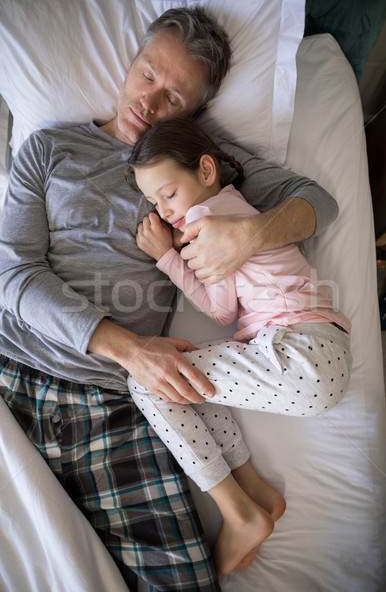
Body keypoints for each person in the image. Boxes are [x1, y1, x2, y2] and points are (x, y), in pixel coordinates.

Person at [0, 5, 339, 592]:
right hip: (16, 369)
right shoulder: (49, 150)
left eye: (175, 98)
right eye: (148, 75)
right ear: (132, 63)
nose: (150, 103)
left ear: (197, 114)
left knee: (183, 581)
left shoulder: (197, 160)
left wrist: (248, 235)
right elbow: (12, 276)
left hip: (115, 403)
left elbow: (318, 203)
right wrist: (130, 349)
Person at [125, 118, 353, 579]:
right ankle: (257, 494)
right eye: (153, 201)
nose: (163, 209)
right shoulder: (233, 206)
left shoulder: (204, 220)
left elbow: (220, 308)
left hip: (300, 351)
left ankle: (239, 513)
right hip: (315, 351)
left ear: (206, 170)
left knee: (149, 380)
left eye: (168, 194)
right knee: (186, 378)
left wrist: (167, 256)